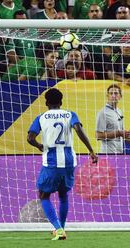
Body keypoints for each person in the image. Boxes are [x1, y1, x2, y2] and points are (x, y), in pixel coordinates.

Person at [27, 88, 98, 240]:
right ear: (61, 102)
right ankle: (62, 228)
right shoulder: (70, 114)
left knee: (43, 195)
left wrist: (39, 145)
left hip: (52, 160)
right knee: (63, 194)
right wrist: (91, 150)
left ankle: (58, 229)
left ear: (46, 103)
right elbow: (78, 129)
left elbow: (30, 138)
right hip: (69, 160)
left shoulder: (41, 117)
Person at [96, 84, 130, 154]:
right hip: (107, 153)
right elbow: (98, 135)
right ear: (107, 96)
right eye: (111, 93)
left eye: (116, 93)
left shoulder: (119, 111)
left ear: (120, 96)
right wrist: (118, 133)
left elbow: (122, 134)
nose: (113, 95)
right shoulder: (103, 113)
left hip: (119, 153)